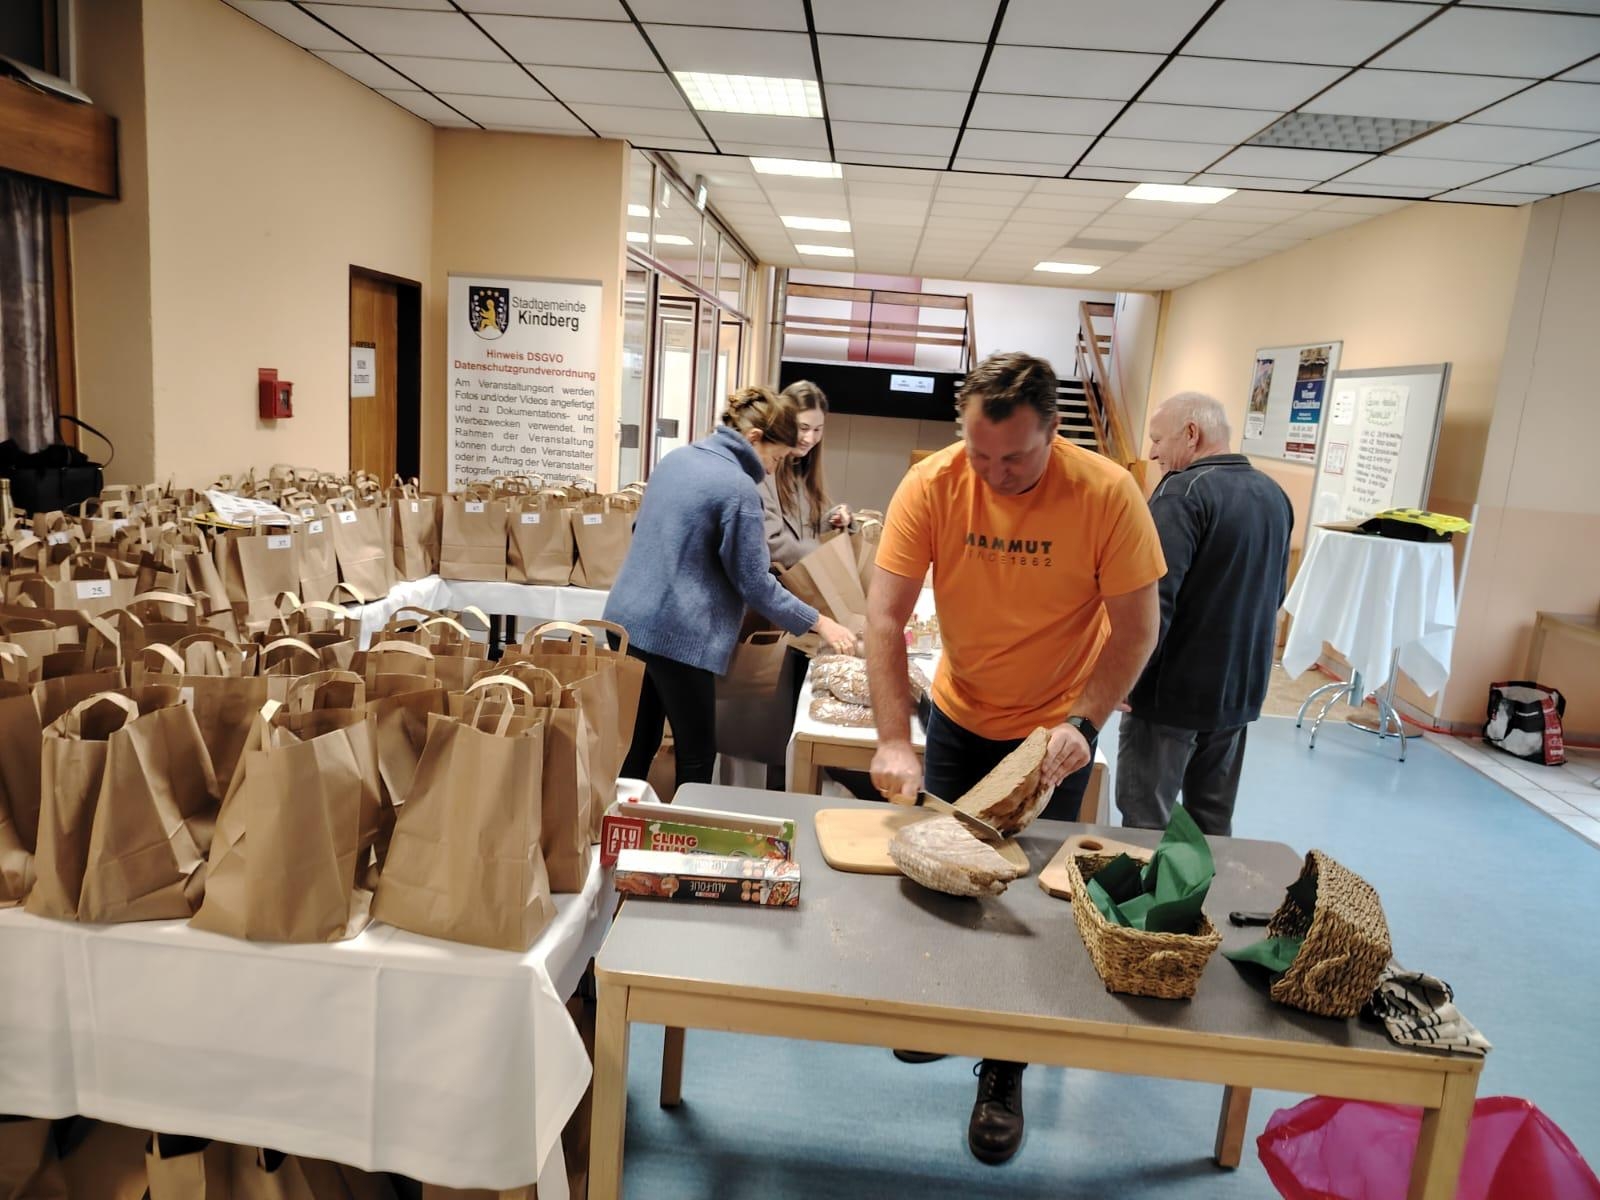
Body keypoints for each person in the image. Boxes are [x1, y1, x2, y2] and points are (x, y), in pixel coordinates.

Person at [864, 351, 1166, 1166]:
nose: (994, 473)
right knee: (941, 878)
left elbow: (1137, 629)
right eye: (980, 453)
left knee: (1027, 903)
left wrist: (1085, 723)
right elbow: (885, 618)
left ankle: (1004, 1066)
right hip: (960, 711)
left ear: (1054, 431)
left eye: (1016, 459)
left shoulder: (1107, 493)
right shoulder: (932, 484)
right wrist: (894, 739)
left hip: (1050, 733)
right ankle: (947, 1013)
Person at [603, 386, 857, 794]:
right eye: (776, 458)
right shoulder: (738, 489)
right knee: (697, 753)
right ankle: (686, 833)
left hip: (625, 622)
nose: (772, 470)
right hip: (677, 635)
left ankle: (616, 826)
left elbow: (641, 530)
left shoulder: (677, 459)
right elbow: (755, 582)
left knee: (637, 742)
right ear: (754, 438)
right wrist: (820, 622)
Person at [1117, 391, 1293, 837]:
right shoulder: (1274, 495)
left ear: (1191, 434)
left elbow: (1154, 600)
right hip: (1238, 696)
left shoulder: (1181, 493)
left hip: (1170, 699)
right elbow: (1275, 595)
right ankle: (1205, 886)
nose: (1152, 452)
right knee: (1212, 825)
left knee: (1146, 824)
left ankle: (1151, 888)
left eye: (1158, 439)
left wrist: (1125, 676)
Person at [759, 380, 851, 569]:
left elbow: (802, 532)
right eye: (803, 428)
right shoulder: (764, 470)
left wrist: (833, 519)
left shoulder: (802, 468)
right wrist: (822, 555)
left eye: (817, 429)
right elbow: (770, 543)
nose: (810, 438)